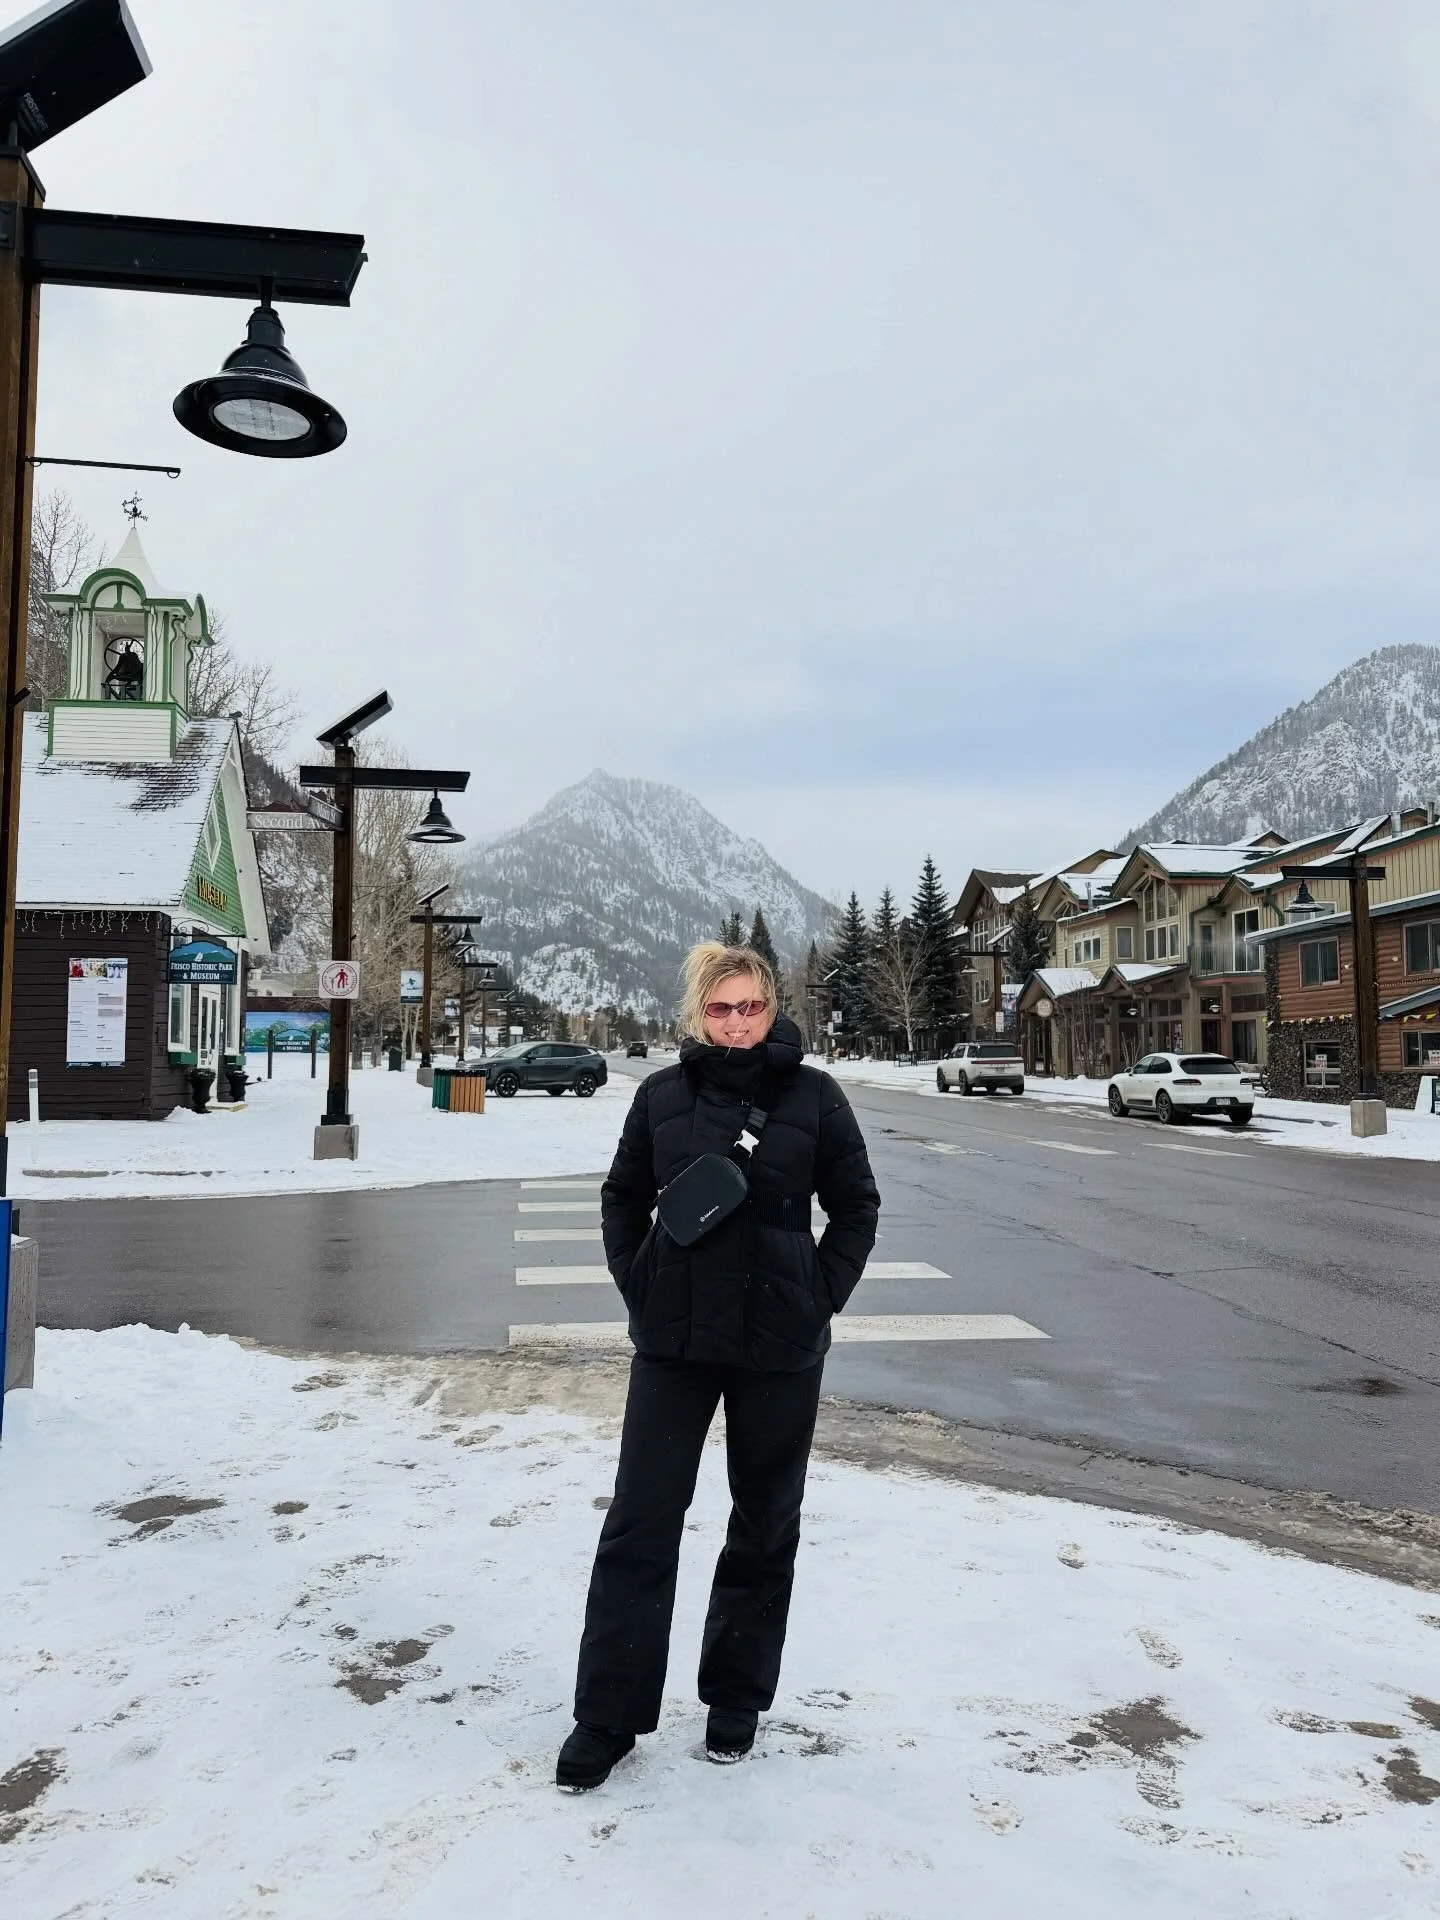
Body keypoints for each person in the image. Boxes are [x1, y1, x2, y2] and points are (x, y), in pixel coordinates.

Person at [556, 940, 880, 1791]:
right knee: (639, 1522)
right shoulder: (662, 1096)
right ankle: (607, 1716)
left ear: (773, 1009)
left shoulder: (814, 1097)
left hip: (781, 1346)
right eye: (721, 1007)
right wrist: (642, 1285)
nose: (737, 1023)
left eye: (752, 1007)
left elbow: (856, 1207)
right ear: (697, 1014)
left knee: (765, 1521)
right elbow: (623, 1197)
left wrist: (818, 1294)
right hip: (675, 1344)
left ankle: (736, 1698)